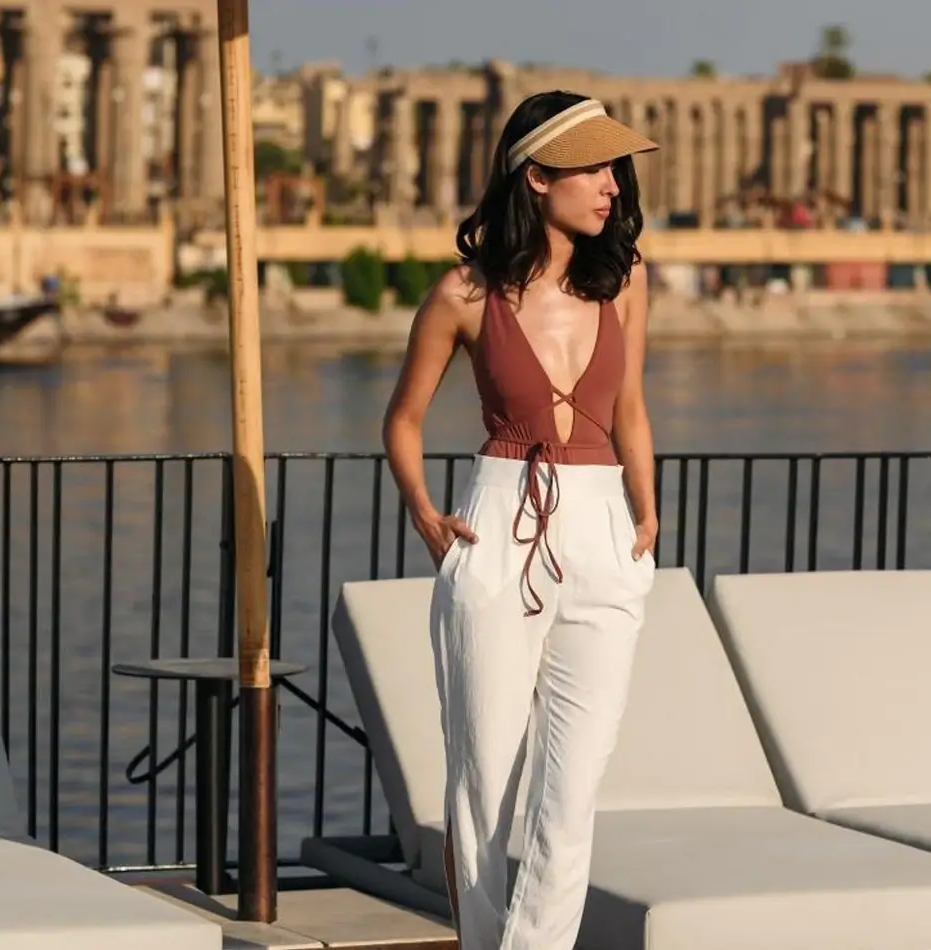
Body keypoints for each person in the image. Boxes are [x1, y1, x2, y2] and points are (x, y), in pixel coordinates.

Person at [381, 91, 661, 950]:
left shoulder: (627, 280)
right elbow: (402, 419)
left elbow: (633, 408)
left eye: (618, 167)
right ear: (537, 177)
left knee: (572, 792)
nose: (614, 184)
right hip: (501, 524)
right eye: (595, 167)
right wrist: (426, 512)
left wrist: (647, 516)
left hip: (604, 534)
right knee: (483, 787)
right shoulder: (465, 294)